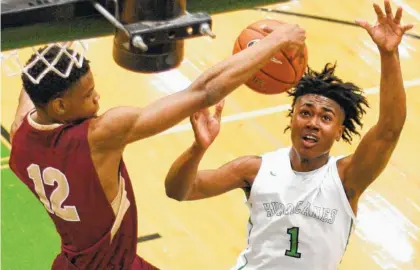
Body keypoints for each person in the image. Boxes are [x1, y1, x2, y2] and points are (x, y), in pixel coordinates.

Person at [8, 23, 306, 269]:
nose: (97, 98)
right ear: (59, 105)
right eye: (87, 95)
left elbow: (32, 82)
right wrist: (277, 41)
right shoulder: (99, 136)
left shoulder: (20, 140)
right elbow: (203, 92)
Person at [164, 1, 413, 269]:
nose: (313, 123)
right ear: (292, 117)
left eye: (326, 118)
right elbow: (179, 191)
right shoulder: (254, 169)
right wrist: (197, 149)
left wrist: (389, 55)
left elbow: (389, 130)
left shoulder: (346, 178)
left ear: (340, 131)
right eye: (305, 112)